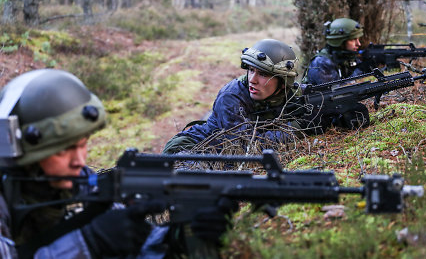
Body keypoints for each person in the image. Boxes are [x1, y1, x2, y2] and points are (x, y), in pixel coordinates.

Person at [0, 69, 233, 258]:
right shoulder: (5, 198)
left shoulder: (83, 184)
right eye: (64, 150)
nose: (79, 161)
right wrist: (90, 243)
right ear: (22, 149)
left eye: (83, 145)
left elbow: (141, 245)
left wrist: (177, 236)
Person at [162, 39, 301, 154]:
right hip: (190, 149)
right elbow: (245, 147)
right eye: (251, 70)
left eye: (263, 74)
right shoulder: (231, 96)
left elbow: (314, 95)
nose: (252, 79)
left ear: (283, 83)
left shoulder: (289, 92)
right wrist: (295, 129)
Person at [304, 17, 365, 85]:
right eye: (353, 39)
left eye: (358, 39)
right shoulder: (321, 63)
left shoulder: (345, 56)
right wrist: (361, 70)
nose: (358, 44)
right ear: (339, 41)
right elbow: (336, 92)